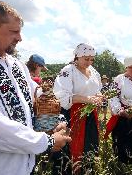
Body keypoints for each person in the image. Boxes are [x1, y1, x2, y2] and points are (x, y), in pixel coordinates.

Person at [0, 0, 71, 175]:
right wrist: (47, 142)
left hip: (26, 164)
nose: (19, 38)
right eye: (14, 31)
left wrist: (52, 122)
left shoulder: (16, 64)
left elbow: (36, 95)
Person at [53, 43, 103, 174]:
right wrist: (87, 99)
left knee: (89, 146)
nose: (89, 62)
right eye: (86, 59)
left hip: (89, 114)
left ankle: (87, 170)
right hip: (71, 114)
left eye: (92, 59)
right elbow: (62, 96)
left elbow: (98, 90)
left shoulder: (94, 72)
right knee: (69, 148)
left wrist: (98, 97)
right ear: (77, 56)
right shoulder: (68, 71)